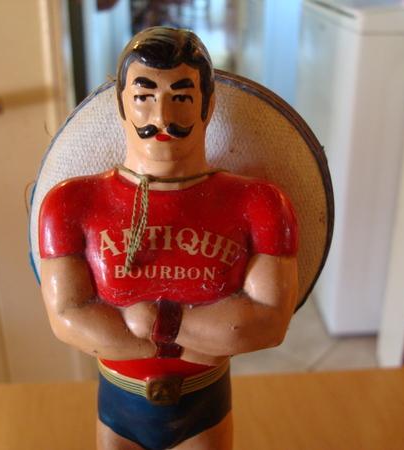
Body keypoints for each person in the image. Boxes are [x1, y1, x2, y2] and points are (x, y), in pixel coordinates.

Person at [39, 26, 299, 450]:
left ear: (208, 105)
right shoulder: (69, 204)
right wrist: (200, 337)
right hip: (119, 406)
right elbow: (68, 318)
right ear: (121, 105)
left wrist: (156, 325)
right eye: (144, 97)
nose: (161, 117)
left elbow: (269, 323)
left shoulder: (261, 204)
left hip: (205, 405)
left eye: (181, 97)